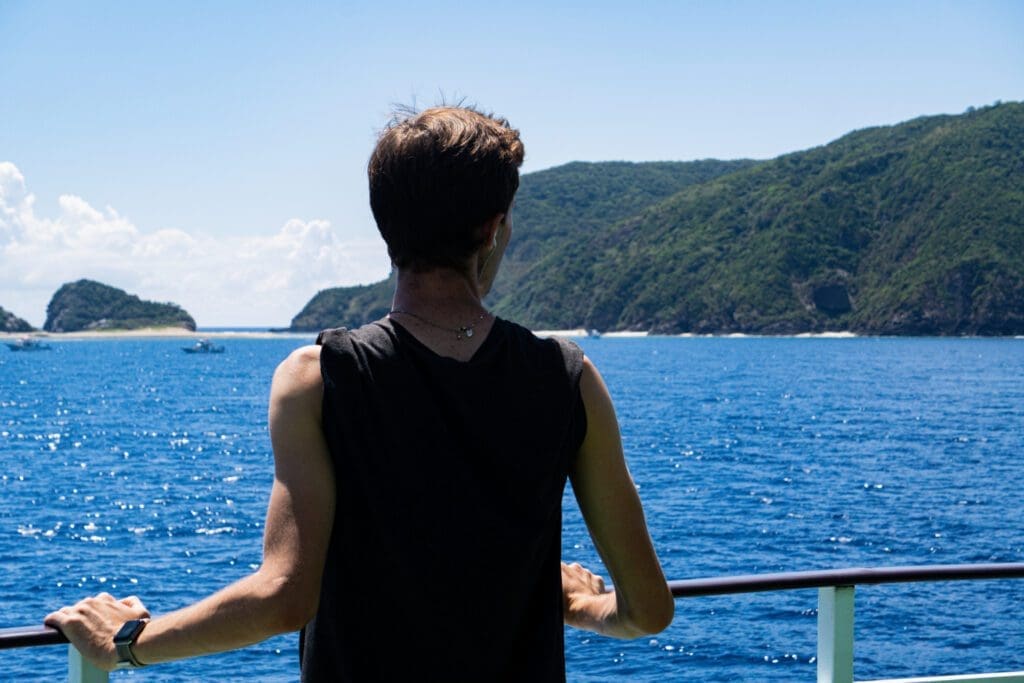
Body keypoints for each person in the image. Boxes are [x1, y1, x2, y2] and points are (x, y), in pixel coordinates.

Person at [45, 105, 673, 681]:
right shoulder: (569, 378)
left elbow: (285, 596)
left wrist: (128, 641)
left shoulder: (320, 377)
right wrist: (585, 605)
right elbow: (647, 611)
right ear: (492, 230)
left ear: (385, 225)